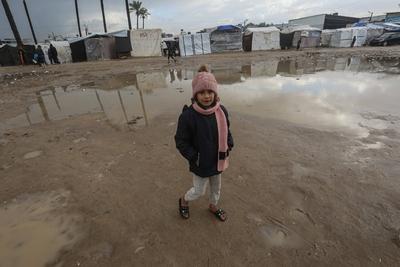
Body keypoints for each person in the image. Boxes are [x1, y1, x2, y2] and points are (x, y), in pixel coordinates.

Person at [175, 65, 234, 222]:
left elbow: (227, 130)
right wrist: (194, 156)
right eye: (201, 92)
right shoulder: (188, 116)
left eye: (210, 92)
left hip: (218, 160)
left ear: (215, 93)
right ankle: (184, 200)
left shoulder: (221, 111)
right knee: (198, 191)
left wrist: (229, 144)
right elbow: (180, 141)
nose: (206, 96)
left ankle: (213, 206)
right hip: (200, 163)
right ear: (195, 94)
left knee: (216, 188)